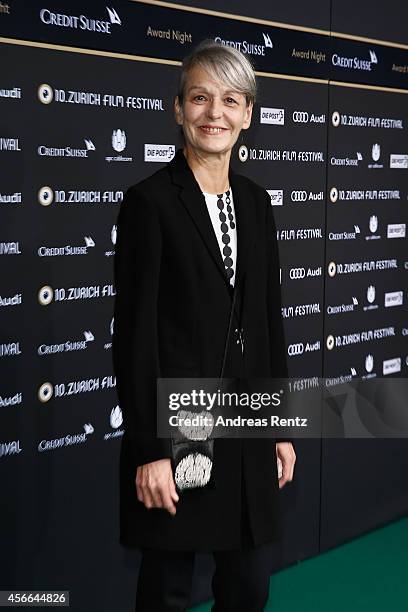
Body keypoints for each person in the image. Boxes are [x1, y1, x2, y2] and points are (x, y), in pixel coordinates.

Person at [112, 39, 296, 612]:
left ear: (248, 115)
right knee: (169, 587)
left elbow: (268, 323)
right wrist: (150, 450)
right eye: (200, 98)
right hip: (183, 419)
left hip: (246, 421)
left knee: (248, 586)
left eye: (230, 99)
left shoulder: (258, 204)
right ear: (178, 109)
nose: (214, 113)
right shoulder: (149, 204)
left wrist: (280, 424)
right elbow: (134, 338)